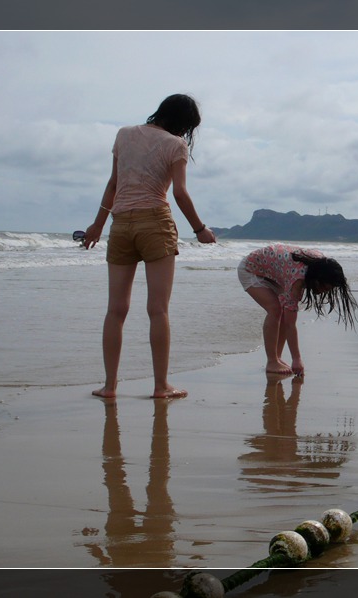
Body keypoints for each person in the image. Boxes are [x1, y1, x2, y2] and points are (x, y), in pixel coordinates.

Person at [83, 94, 217, 400]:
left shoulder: (124, 134)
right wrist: (200, 229)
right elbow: (180, 193)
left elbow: (113, 184)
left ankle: (109, 386)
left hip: (120, 224)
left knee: (116, 310)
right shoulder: (176, 144)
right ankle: (160, 386)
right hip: (155, 223)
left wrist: (97, 225)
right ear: (183, 123)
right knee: (158, 309)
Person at [238, 243, 358, 376]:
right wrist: (296, 359)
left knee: (283, 312)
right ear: (317, 279)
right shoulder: (298, 279)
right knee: (275, 309)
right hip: (251, 268)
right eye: (324, 288)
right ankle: (272, 361)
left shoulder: (321, 265)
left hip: (272, 271)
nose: (324, 291)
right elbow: (290, 325)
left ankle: (277, 358)